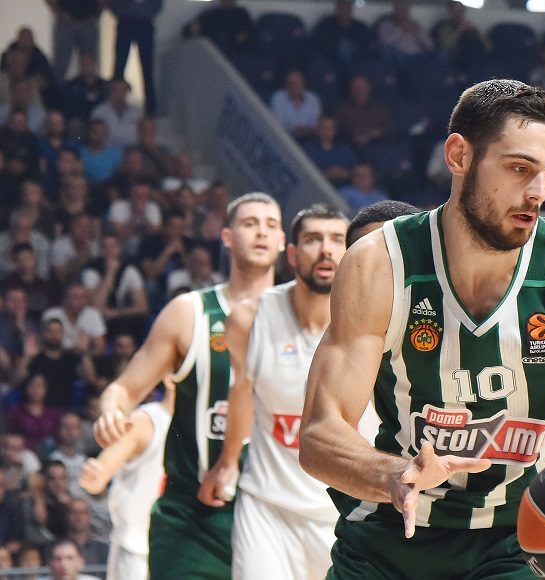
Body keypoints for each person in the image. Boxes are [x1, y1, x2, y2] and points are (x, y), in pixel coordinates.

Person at [298, 79, 545, 578]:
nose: (537, 193)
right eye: (519, 169)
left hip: (522, 539)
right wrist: (395, 474)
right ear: (459, 155)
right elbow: (320, 435)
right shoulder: (379, 264)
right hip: (391, 531)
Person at [93, 192, 285, 580]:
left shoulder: (303, 317)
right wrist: (112, 411)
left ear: (283, 242)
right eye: (250, 224)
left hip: (275, 513)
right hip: (193, 516)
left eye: (271, 225)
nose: (262, 233)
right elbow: (124, 388)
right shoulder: (190, 313)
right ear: (227, 237)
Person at [197, 206, 350, 579]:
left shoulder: (369, 320)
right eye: (313, 239)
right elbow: (242, 391)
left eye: (336, 240)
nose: (326, 249)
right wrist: (228, 463)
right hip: (266, 508)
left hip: (340, 510)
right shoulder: (249, 317)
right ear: (292, 254)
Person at [78, 378, 173, 580]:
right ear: (171, 379)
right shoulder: (147, 421)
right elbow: (101, 473)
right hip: (138, 546)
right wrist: (94, 477)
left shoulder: (205, 423)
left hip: (182, 544)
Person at [109, 0, 163, 116]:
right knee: (119, 66)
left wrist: (147, 13)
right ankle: (114, 104)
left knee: (147, 68)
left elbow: (158, 4)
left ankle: (150, 109)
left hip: (145, 23)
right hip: (126, 22)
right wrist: (123, 13)